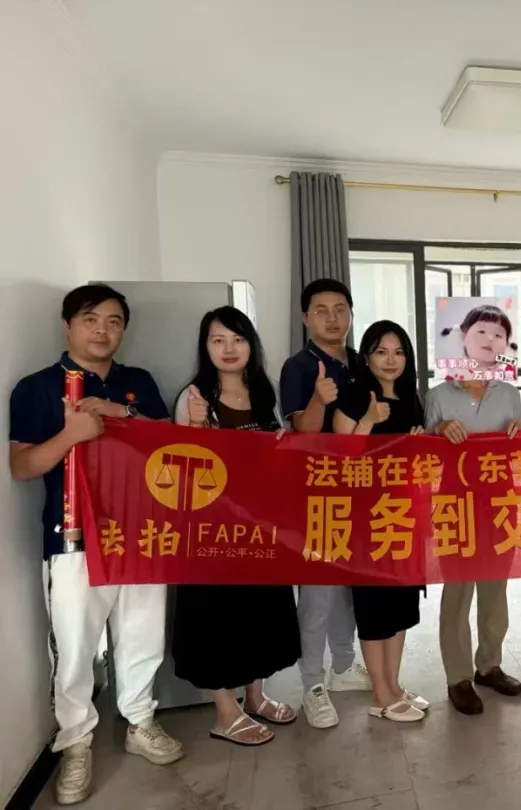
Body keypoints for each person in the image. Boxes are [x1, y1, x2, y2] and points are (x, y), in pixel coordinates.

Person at [8, 284, 183, 806]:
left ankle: (140, 721)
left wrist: (118, 413)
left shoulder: (137, 382)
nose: (103, 330)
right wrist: (72, 435)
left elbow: (170, 442)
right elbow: (22, 466)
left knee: (143, 634)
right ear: (68, 325)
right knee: (75, 645)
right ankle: (76, 742)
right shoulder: (37, 388)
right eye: (90, 319)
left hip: (141, 531)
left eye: (113, 321)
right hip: (72, 537)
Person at [171, 307, 301, 746]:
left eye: (238, 339)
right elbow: (180, 471)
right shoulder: (193, 397)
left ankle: (256, 697)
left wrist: (283, 444)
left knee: (258, 614)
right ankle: (225, 713)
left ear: (251, 345)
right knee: (217, 619)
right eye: (218, 340)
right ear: (205, 347)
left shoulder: (266, 391)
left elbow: (281, 451)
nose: (229, 349)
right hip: (213, 533)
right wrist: (193, 426)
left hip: (261, 527)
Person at [279, 278, 369, 729]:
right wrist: (318, 399)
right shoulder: (299, 367)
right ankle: (312, 684)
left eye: (340, 309)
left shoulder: (361, 362)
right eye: (321, 310)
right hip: (317, 494)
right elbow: (302, 430)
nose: (332, 318)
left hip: (361, 491)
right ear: (305, 318)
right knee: (318, 592)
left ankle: (343, 665)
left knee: (349, 587)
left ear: (351, 314)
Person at [334, 320, 429, 723]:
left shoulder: (410, 397)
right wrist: (370, 420)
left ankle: (393, 684)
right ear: (367, 357)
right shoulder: (355, 396)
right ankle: (379, 694)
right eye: (381, 352)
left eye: (399, 352)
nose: (391, 360)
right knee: (374, 606)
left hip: (404, 513)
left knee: (401, 605)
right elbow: (340, 458)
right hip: (367, 518)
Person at [425, 354, 521, 715]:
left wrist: (518, 428)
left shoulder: (509, 394)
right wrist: (439, 429)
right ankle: (458, 677)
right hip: (454, 502)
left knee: (495, 588)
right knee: (458, 590)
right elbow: (421, 450)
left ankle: (489, 666)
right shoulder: (438, 395)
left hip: (500, 500)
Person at [440, 303, 519, 379]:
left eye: (498, 335)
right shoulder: (453, 372)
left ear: (506, 344)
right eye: (481, 332)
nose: (490, 338)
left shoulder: (508, 371)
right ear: (463, 337)